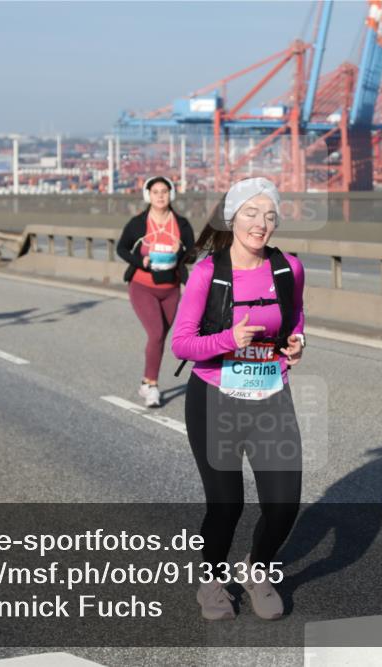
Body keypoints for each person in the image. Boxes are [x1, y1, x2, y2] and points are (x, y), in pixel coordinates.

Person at [171, 177, 306, 620]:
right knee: (227, 505)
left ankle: (257, 569)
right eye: (251, 213)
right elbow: (183, 345)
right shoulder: (209, 272)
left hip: (270, 394)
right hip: (215, 398)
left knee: (284, 503)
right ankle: (211, 581)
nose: (261, 224)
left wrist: (297, 341)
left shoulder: (288, 268)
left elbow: (295, 316)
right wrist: (229, 338)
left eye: (270, 216)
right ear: (232, 217)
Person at [116, 176, 195, 407]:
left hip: (171, 289)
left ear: (171, 194)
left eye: (164, 191)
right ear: (147, 195)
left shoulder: (182, 224)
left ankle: (145, 381)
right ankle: (152, 386)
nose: (160, 196)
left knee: (159, 338)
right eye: (155, 192)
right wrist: (141, 261)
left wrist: (178, 253)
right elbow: (121, 248)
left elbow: (192, 251)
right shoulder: (138, 223)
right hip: (143, 286)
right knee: (156, 333)